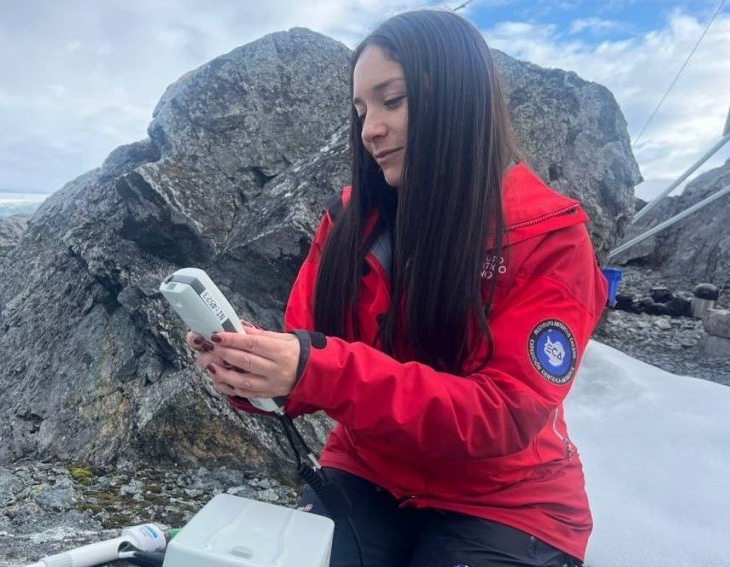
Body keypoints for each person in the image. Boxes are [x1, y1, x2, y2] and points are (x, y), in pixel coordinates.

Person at [188, 9, 605, 567]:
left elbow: (504, 413)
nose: (369, 130)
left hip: (508, 501)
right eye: (361, 110)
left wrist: (316, 368)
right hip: (368, 473)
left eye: (393, 100)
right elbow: (315, 357)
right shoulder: (347, 223)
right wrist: (258, 370)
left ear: (460, 97)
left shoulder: (547, 237)